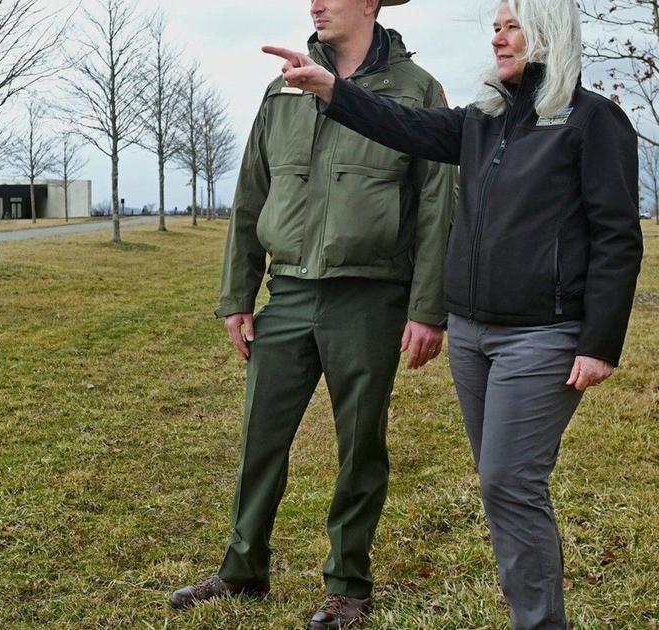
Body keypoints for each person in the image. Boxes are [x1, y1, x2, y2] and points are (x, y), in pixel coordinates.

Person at [264, 0, 644, 627]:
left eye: (511, 25)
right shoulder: (483, 122)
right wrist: (334, 89)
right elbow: (404, 125)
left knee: (508, 483)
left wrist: (599, 342)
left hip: (541, 336)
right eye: (494, 27)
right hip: (472, 334)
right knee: (503, 486)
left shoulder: (592, 121)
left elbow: (617, 236)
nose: (497, 38)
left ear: (548, 33)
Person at [169, 1, 457, 628]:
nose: (316, 3)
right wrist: (237, 296)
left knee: (359, 446)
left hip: (370, 297)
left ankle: (349, 584)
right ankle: (243, 569)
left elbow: (438, 207)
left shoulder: (418, 91)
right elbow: (251, 193)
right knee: (259, 437)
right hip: (289, 293)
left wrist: (427, 308)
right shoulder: (284, 90)